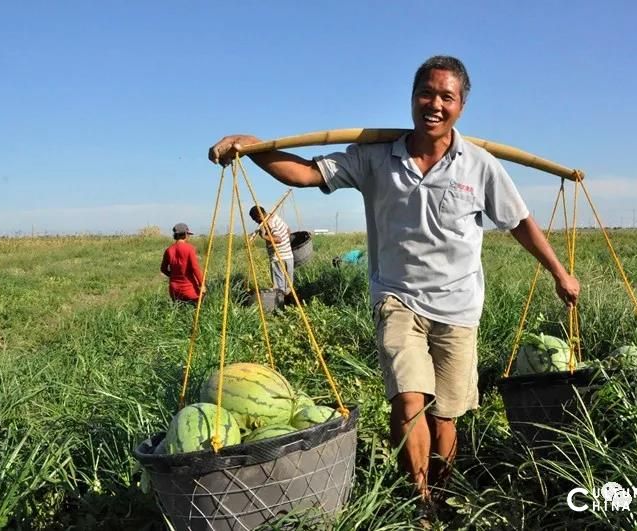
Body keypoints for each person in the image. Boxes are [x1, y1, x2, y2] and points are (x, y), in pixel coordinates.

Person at [208, 56, 580, 509]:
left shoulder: (479, 166)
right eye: (427, 93)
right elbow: (305, 174)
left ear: (461, 105)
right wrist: (255, 146)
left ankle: (443, 492)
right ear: (412, 97)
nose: (435, 104)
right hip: (397, 299)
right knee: (408, 402)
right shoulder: (375, 158)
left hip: (459, 308)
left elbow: (520, 222)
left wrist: (560, 273)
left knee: (446, 417)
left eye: (447, 97)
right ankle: (419, 500)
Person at [249, 206, 294, 295]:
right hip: (288, 256)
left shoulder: (270, 223)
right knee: (288, 285)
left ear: (259, 215)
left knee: (279, 287)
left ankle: (280, 304)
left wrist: (264, 236)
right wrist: (285, 244)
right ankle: (288, 302)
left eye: (256, 219)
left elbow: (278, 239)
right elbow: (288, 230)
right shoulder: (275, 217)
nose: (257, 222)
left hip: (278, 258)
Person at [160, 223, 204, 303]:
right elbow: (195, 268)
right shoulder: (190, 248)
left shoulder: (169, 250)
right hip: (189, 289)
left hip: (174, 290)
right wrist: (202, 284)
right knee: (198, 306)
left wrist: (173, 276)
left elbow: (163, 269)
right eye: (188, 234)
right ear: (185, 234)